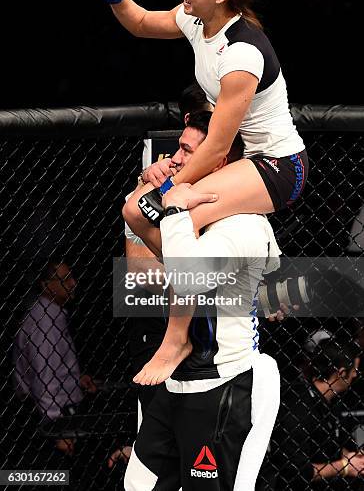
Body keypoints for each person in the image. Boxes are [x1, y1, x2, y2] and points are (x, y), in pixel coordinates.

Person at [97, 0, 309, 381]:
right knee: (136, 211)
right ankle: (203, 287)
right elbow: (139, 22)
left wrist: (172, 189)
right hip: (241, 160)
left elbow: (214, 147)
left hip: (277, 166)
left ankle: (177, 339)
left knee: (174, 213)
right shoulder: (198, 22)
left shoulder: (243, 53)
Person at [123, 170, 282, 489]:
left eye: (187, 151)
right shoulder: (179, 205)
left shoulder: (243, 223)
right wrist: (147, 183)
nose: (177, 161)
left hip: (224, 381)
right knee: (140, 485)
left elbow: (186, 276)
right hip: (179, 380)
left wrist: (175, 212)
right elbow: (133, 216)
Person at [12, 258, 97, 456]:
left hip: (61, 412)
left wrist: (75, 380)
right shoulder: (44, 323)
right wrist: (57, 430)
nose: (73, 283)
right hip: (53, 419)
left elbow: (54, 367)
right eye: (64, 279)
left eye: (71, 277)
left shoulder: (52, 315)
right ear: (46, 285)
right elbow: (44, 379)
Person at [270, 339, 364, 490]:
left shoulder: (328, 402)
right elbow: (295, 471)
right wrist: (345, 466)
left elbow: (327, 448)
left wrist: (353, 459)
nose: (355, 376)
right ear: (341, 373)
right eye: (354, 371)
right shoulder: (299, 406)